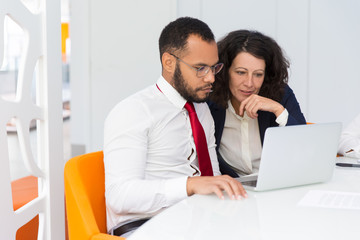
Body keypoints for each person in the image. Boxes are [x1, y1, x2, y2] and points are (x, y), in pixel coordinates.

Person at [103, 17, 247, 236]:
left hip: (197, 220)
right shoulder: (134, 111)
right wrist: (189, 185)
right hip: (145, 227)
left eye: (213, 67)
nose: (210, 78)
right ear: (169, 62)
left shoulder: (201, 109)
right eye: (200, 68)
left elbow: (212, 176)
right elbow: (120, 197)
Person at [208, 30, 306, 178]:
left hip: (279, 184)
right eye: (241, 72)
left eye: (258, 74)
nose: (249, 83)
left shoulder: (281, 94)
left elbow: (305, 146)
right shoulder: (209, 101)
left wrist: (278, 109)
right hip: (234, 191)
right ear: (225, 71)